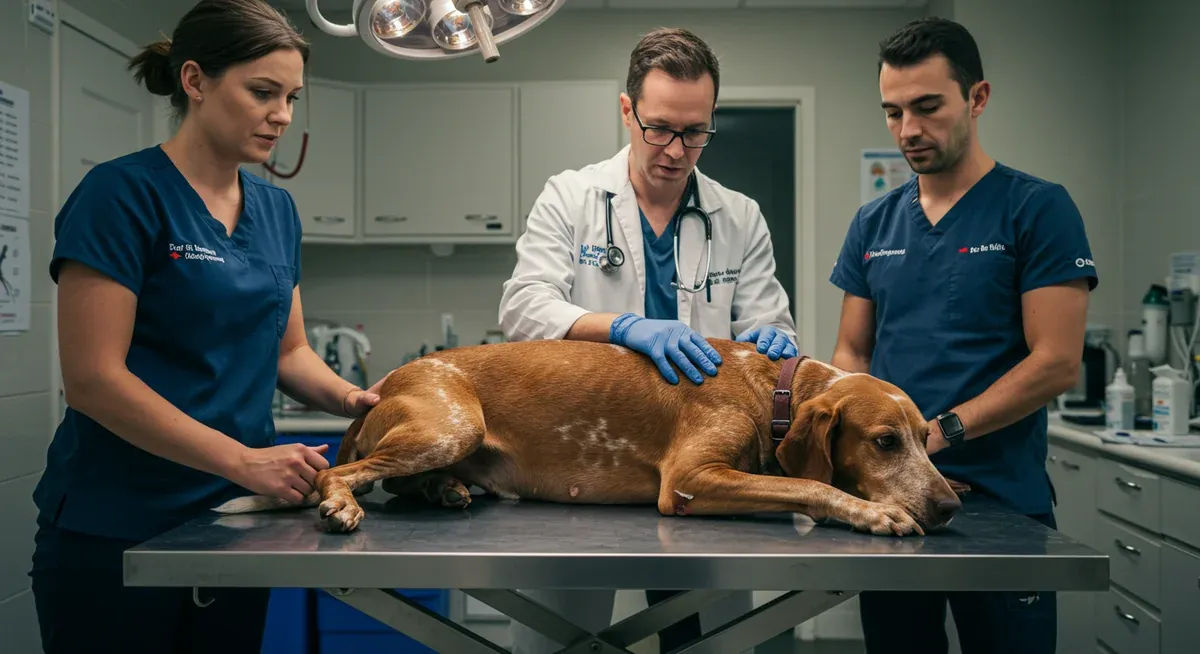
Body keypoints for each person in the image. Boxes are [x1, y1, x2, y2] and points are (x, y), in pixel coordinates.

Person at [28, 1, 381, 652]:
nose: (283, 115)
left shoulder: (277, 210)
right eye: (263, 92)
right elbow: (93, 380)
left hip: (237, 520)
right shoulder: (120, 195)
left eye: (292, 97)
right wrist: (243, 460)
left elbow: (290, 351)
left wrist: (355, 398)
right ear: (194, 80)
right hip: (120, 525)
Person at [499, 27, 796, 654]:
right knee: (562, 639)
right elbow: (523, 309)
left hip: (703, 463)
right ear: (626, 109)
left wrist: (774, 341)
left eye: (695, 132)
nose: (676, 150)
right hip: (587, 453)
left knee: (710, 639)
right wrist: (621, 327)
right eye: (659, 128)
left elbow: (771, 324)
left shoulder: (739, 216)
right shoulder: (571, 197)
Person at [829, 17, 1096, 654]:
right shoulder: (873, 223)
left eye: (927, 107)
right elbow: (852, 353)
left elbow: (1057, 362)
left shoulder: (1037, 209)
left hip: (1002, 501)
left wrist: (941, 432)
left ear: (977, 98)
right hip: (895, 502)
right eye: (893, 112)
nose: (907, 130)